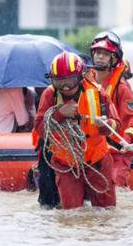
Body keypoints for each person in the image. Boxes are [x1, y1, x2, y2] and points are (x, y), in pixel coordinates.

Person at [33, 51, 121, 209]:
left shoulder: (98, 93)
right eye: (60, 82)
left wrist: (106, 126)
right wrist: (60, 114)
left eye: (71, 81)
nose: (66, 87)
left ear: (80, 77)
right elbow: (40, 128)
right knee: (72, 214)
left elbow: (117, 124)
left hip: (97, 162)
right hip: (66, 164)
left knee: (107, 212)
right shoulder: (50, 95)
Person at [89, 31, 133, 188]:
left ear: (113, 58)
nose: (100, 57)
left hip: (118, 151)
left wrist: (125, 142)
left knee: (113, 186)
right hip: (93, 148)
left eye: (105, 54)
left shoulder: (121, 88)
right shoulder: (86, 83)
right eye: (98, 53)